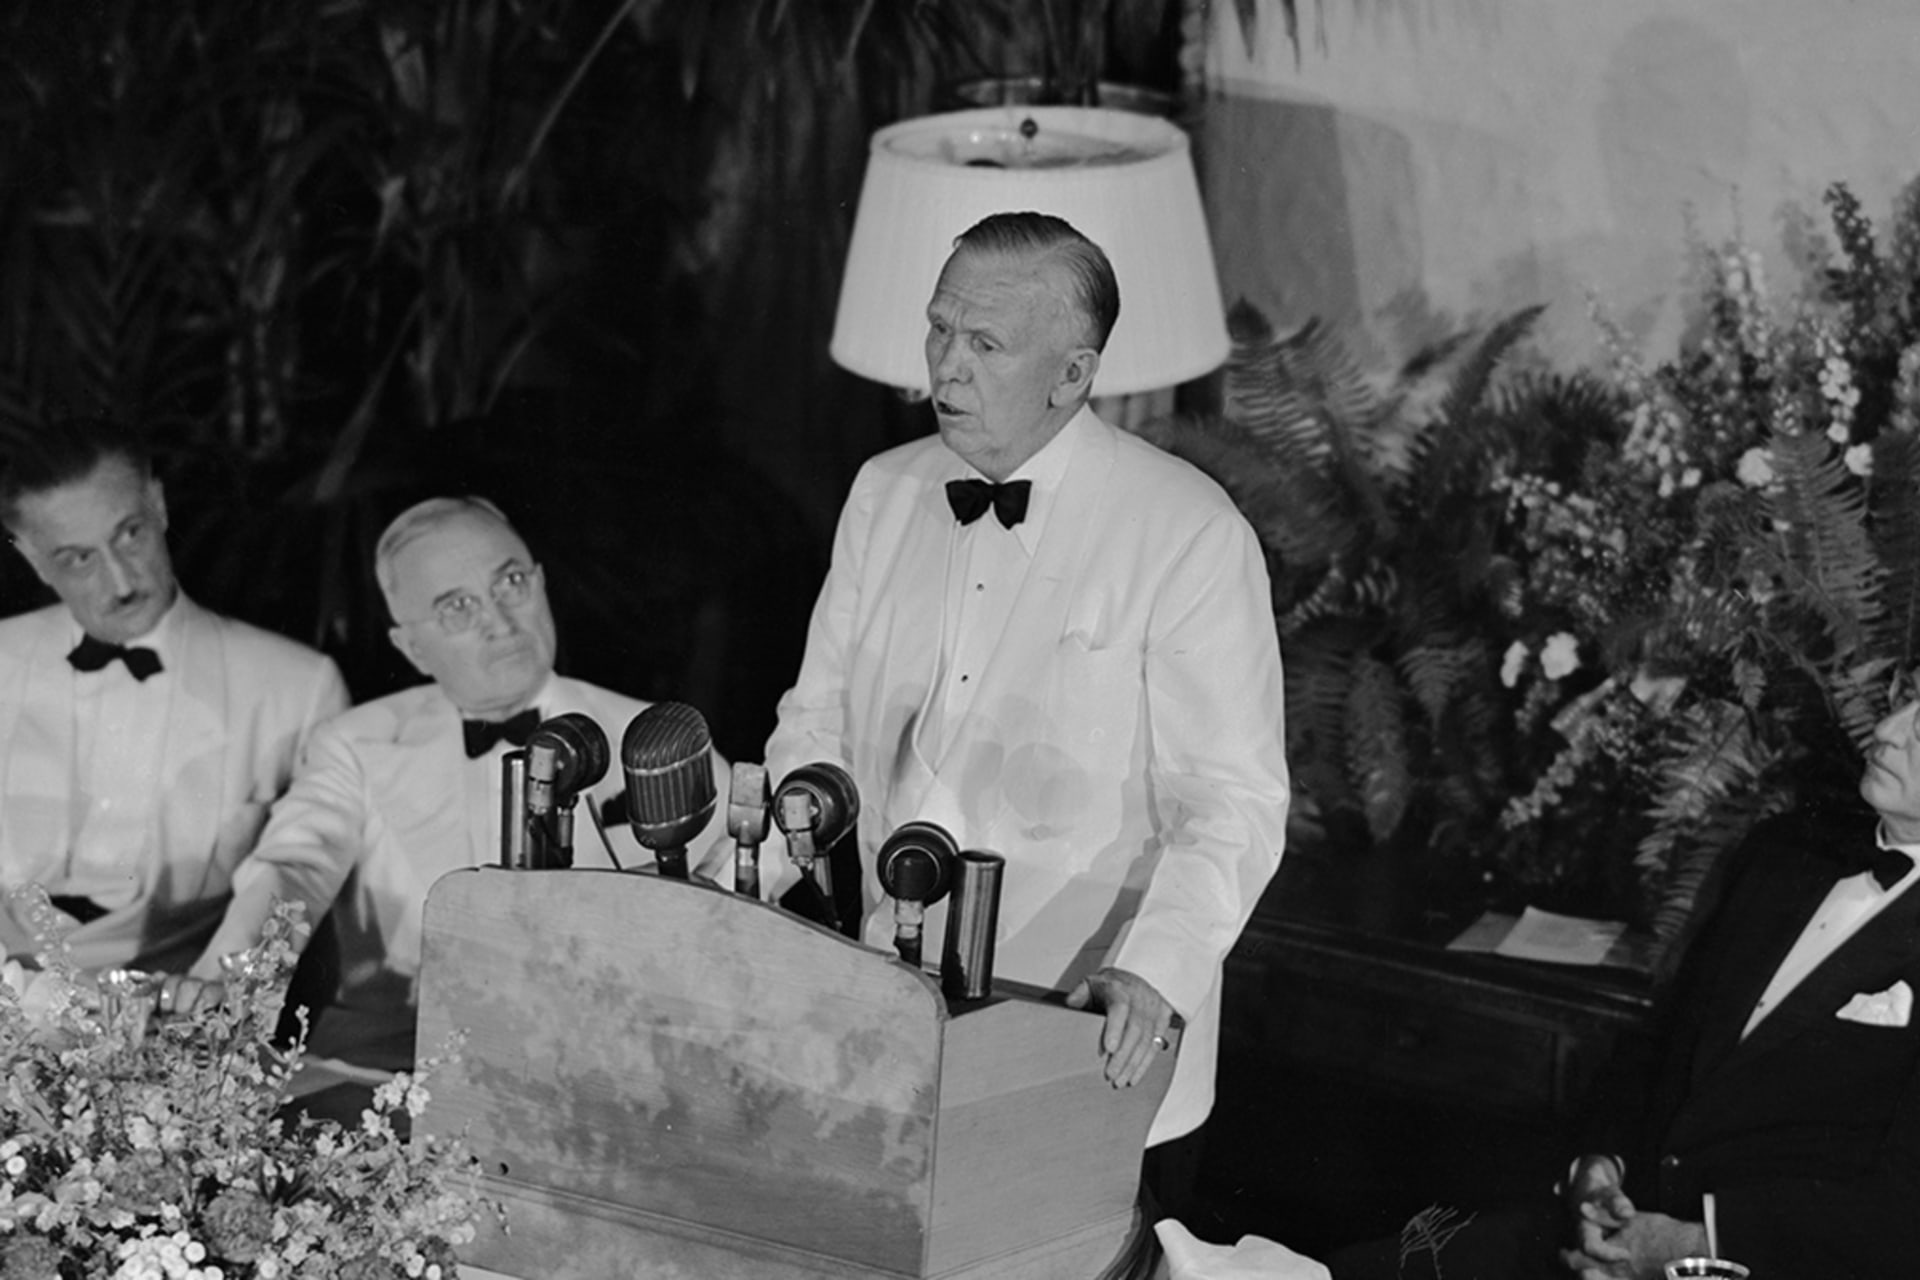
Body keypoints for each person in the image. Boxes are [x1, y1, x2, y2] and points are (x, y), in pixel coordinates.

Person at [762, 212, 1290, 1204]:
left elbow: (1235, 803)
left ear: (1074, 374)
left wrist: (1153, 971)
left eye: (986, 344)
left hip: (1083, 1026)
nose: (944, 369)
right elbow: (815, 708)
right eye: (940, 330)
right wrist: (800, 823)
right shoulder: (884, 490)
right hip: (887, 1006)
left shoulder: (1187, 532)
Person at [1332, 695, 1920, 1280]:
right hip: (1608, 1236)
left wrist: (1690, 1243)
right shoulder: (1786, 848)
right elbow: (1659, 1044)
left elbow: (1902, 1218)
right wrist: (1597, 1169)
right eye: (1901, 703)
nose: (1887, 731)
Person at [189, 496, 730, 1071]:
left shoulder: (658, 737)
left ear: (542, 584)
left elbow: (732, 907)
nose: (500, 623)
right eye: (457, 608)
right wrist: (228, 993)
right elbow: (294, 867)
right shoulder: (357, 745)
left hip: (610, 1072)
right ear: (411, 648)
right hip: (394, 1066)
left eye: (512, 583)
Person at [0, 416, 348, 975]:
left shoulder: (297, 687)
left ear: (159, 505)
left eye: (129, 533)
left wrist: (206, 1005)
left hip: (179, 1007)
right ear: (35, 561)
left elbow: (301, 875)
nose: (120, 581)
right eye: (79, 559)